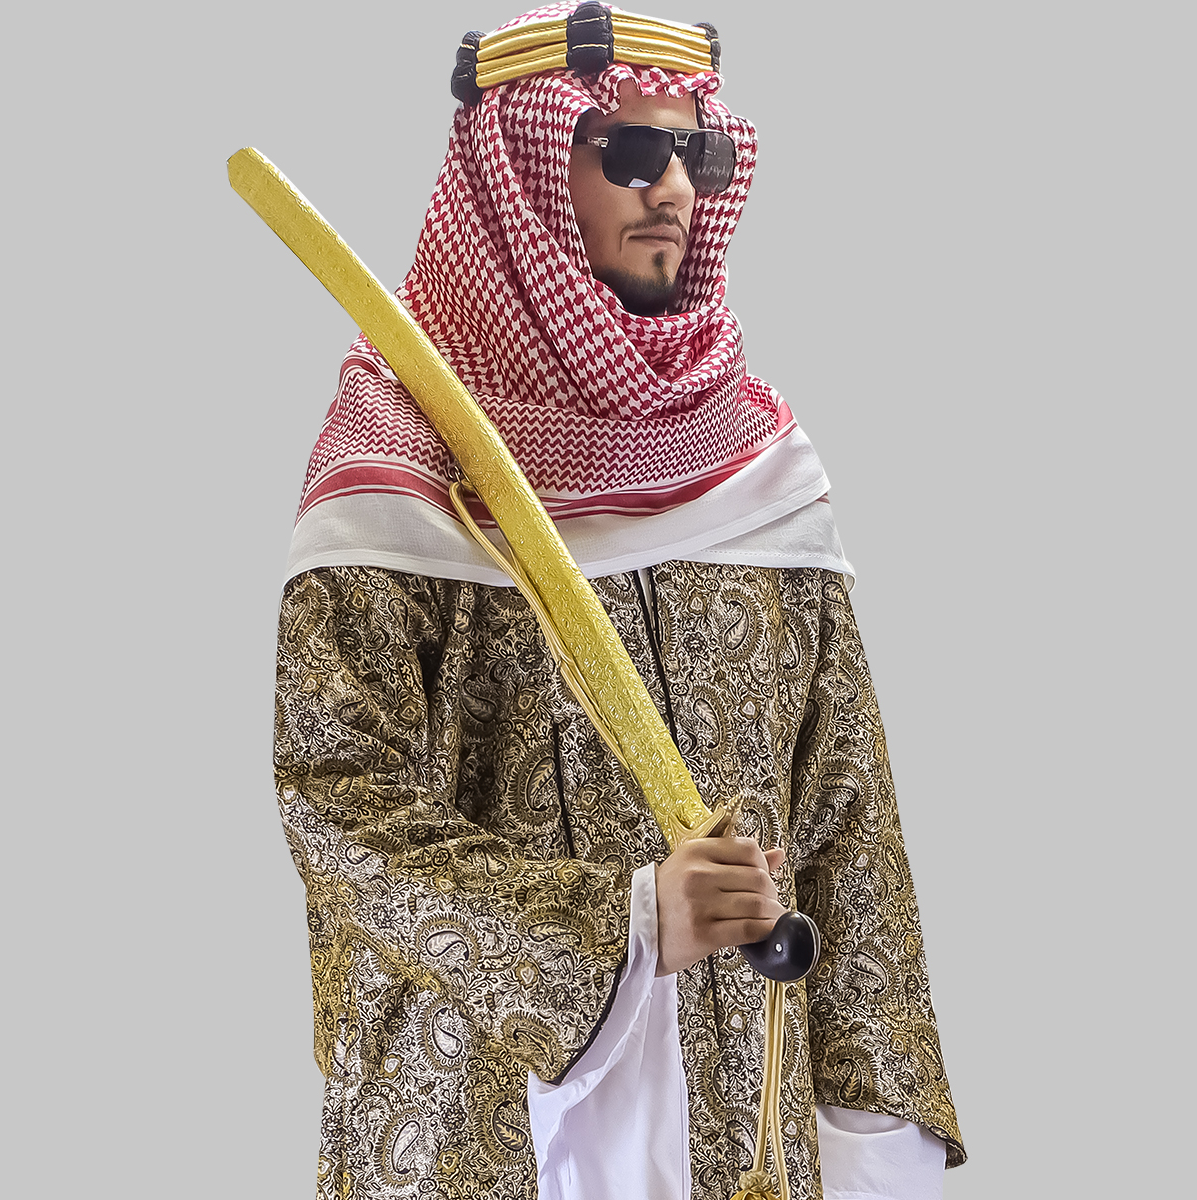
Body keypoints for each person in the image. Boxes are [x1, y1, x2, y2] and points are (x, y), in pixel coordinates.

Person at [272, 5, 964, 1198]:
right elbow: (336, 804)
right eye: (630, 154)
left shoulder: (759, 467)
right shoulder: (395, 471)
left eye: (696, 155)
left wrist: (873, 1137)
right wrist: (625, 926)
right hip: (479, 1130)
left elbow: (851, 823)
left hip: (740, 1131)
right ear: (524, 179)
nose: (674, 190)